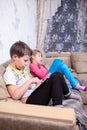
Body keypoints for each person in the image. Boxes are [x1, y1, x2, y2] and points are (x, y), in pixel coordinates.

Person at [3, 41, 75, 107]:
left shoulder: (21, 68)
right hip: (29, 100)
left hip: (34, 93)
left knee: (57, 74)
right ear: (15, 57)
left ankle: (67, 94)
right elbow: (15, 95)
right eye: (25, 60)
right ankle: (60, 105)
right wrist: (30, 81)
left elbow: (28, 87)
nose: (26, 64)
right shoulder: (9, 73)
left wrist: (39, 84)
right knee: (55, 77)